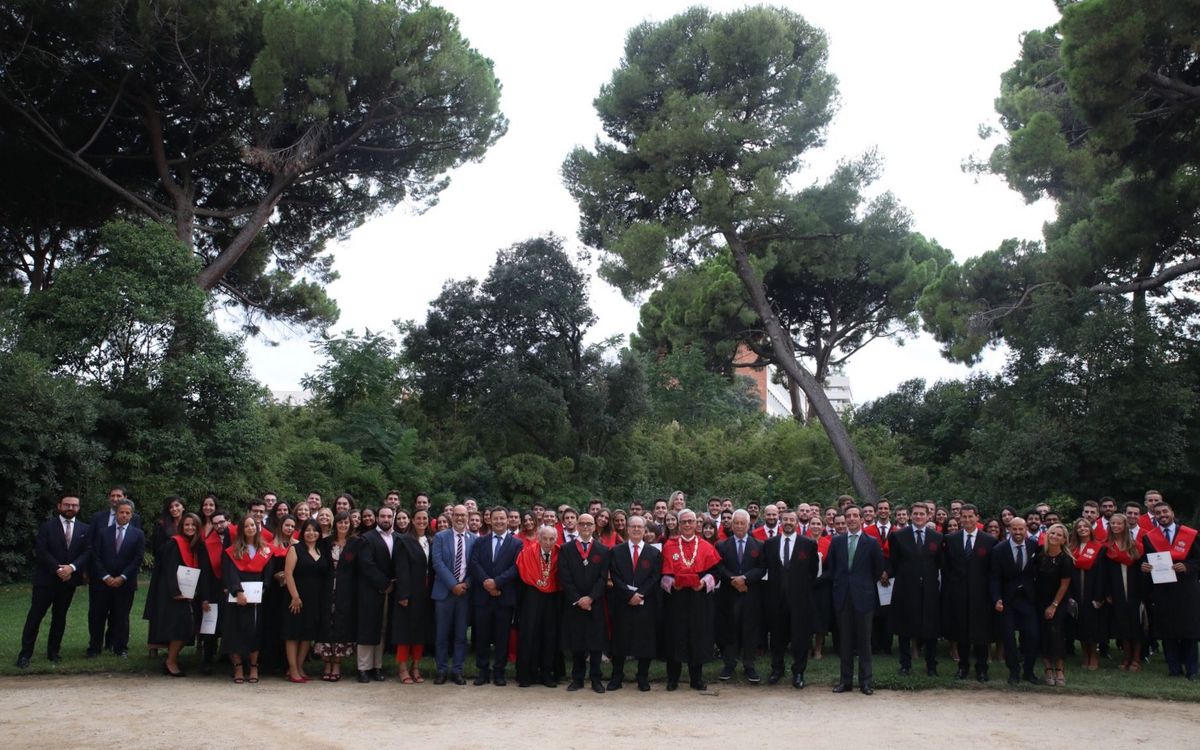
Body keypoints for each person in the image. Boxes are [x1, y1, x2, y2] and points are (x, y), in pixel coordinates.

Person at [17, 495, 91, 668]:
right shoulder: (47, 527)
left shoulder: (85, 529)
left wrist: (71, 568)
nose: (70, 508)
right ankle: (25, 654)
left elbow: (88, 552)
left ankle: (53, 652)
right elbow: (41, 551)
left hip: (68, 581)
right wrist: (58, 569)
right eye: (67, 505)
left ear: (79, 508)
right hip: (46, 580)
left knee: (60, 617)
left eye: (74, 505)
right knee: (35, 617)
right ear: (59, 506)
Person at [660, 509, 721, 691]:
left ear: (696, 524)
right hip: (676, 600)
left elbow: (715, 572)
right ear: (679, 525)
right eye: (684, 522)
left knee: (697, 636)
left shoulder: (706, 546)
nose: (687, 525)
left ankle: (696, 679)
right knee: (675, 636)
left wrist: (703, 583)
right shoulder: (669, 545)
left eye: (691, 521)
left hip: (698, 599)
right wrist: (672, 584)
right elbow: (662, 574)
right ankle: (673, 679)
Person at [827, 506, 885, 695]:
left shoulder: (872, 542)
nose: (851, 519)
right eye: (848, 516)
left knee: (864, 642)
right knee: (845, 641)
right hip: (842, 597)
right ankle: (845, 681)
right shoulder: (837, 541)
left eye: (855, 516)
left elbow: (878, 569)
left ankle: (865, 682)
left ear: (861, 519)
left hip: (864, 597)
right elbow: (832, 567)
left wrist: (863, 585)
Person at [1139, 500, 1199, 679]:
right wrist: (1145, 566)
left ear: (1172, 512)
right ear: (1155, 516)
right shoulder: (1149, 537)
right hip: (1163, 590)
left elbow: (1198, 560)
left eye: (1165, 511)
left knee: (1189, 630)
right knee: (1168, 630)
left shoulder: (1190, 534)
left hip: (1186, 589)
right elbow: (1147, 559)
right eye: (1158, 513)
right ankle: (1174, 669)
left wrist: (1187, 567)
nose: (1162, 515)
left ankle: (1192, 670)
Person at [763, 509, 820, 688]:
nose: (788, 522)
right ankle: (777, 669)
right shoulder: (770, 544)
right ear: (781, 521)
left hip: (800, 601)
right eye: (785, 519)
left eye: (791, 520)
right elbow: (766, 568)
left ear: (797, 523)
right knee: (777, 637)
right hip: (776, 599)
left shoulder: (808, 544)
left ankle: (799, 672)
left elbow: (812, 572)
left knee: (800, 638)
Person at [941, 503, 997, 681]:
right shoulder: (951, 539)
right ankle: (963, 667)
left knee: (981, 634)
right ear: (960, 518)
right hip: (958, 594)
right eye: (963, 516)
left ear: (977, 517)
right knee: (961, 633)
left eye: (970, 516)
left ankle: (982, 669)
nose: (967, 519)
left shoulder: (989, 541)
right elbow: (947, 568)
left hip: (981, 596)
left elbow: (992, 571)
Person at [468, 506, 521, 686]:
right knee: (482, 636)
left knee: (502, 637)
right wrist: (487, 583)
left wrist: (496, 583)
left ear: (508, 520)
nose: (499, 521)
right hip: (483, 596)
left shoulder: (516, 544)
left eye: (502, 518)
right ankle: (482, 671)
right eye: (495, 518)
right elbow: (474, 563)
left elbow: (516, 568)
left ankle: (499, 672)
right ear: (490, 520)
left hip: (504, 597)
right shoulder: (480, 541)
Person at [888, 502, 942, 676]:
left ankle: (931, 665)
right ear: (911, 515)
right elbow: (894, 562)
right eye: (916, 513)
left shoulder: (937, 537)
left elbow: (938, 563)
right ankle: (905, 664)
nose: (919, 516)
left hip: (929, 589)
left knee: (931, 628)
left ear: (928, 516)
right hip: (905, 587)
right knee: (904, 627)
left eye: (922, 514)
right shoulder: (898, 536)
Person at [558, 512, 610, 693]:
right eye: (582, 523)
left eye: (589, 523)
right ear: (577, 526)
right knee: (577, 642)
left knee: (596, 643)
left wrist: (591, 598)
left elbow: (603, 578)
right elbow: (565, 577)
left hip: (595, 603)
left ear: (594, 526)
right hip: (575, 604)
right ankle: (577, 678)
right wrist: (578, 599)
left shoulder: (603, 550)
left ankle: (596, 679)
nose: (586, 526)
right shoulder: (566, 549)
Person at [156, 512, 213, 677]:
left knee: (188, 630)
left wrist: (205, 597)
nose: (190, 528)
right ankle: (171, 662)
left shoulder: (199, 546)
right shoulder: (174, 544)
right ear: (182, 527)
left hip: (193, 594)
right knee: (180, 629)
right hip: (177, 596)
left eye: (193, 525)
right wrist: (176, 592)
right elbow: (169, 570)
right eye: (187, 525)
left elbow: (205, 573)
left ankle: (171, 659)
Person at [87, 498, 145, 658]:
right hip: (102, 583)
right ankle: (94, 648)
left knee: (121, 617)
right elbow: (95, 556)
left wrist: (123, 577)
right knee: (97, 616)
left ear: (131, 515)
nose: (124, 515)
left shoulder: (138, 534)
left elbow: (138, 558)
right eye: (121, 512)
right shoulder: (103, 532)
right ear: (116, 513)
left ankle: (121, 648)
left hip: (125, 584)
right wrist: (105, 576)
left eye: (127, 513)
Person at [608, 514, 661, 691]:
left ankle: (642, 677)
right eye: (633, 526)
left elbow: (654, 577)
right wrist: (628, 595)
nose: (636, 529)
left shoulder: (654, 552)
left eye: (640, 527)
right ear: (627, 529)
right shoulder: (617, 551)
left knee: (645, 641)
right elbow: (615, 575)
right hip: (622, 602)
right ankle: (617, 676)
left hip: (645, 603)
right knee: (620, 640)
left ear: (645, 530)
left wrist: (640, 594)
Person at [222, 516, 275, 683]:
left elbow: (268, 573)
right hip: (237, 596)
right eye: (246, 526)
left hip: (257, 598)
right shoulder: (233, 550)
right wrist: (238, 592)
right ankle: (238, 667)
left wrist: (262, 591)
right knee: (235, 630)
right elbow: (230, 573)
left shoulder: (265, 550)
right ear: (241, 530)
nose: (250, 528)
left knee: (255, 631)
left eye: (253, 525)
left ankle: (253, 666)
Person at [715, 509, 765, 683]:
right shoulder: (722, 545)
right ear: (731, 524)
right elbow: (719, 567)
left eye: (742, 523)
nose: (739, 526)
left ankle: (749, 665)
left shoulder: (759, 545)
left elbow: (761, 568)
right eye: (736, 523)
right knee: (730, 628)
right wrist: (734, 580)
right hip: (729, 595)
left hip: (751, 595)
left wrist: (745, 579)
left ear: (748, 524)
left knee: (750, 629)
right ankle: (729, 664)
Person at [991, 517, 1041, 686]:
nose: (1018, 532)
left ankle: (1029, 671)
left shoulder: (1035, 546)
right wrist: (997, 598)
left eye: (1021, 529)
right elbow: (994, 577)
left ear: (1026, 529)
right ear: (1009, 530)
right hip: (1007, 600)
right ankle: (1013, 671)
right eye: (1014, 529)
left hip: (1028, 599)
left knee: (1032, 635)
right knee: (1008, 638)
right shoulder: (999, 549)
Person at [282, 518, 330, 683]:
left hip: (315, 599)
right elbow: (288, 574)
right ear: (303, 532)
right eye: (308, 530)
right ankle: (292, 669)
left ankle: (299, 666)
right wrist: (295, 596)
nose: (311, 533)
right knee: (293, 633)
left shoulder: (321, 550)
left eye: (315, 530)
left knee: (307, 634)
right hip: (296, 598)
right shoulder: (295, 549)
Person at [515, 525, 563, 687]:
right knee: (530, 634)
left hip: (553, 599)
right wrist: (537, 581)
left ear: (556, 539)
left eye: (551, 539)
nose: (548, 542)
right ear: (539, 538)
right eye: (544, 538)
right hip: (532, 597)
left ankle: (547, 674)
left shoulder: (560, 553)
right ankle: (526, 674)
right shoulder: (527, 552)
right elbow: (523, 571)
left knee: (550, 635)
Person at [431, 504, 474, 684]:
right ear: (452, 517)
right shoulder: (441, 537)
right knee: (441, 635)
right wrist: (453, 585)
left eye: (463, 515)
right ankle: (441, 670)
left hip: (464, 594)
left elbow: (476, 565)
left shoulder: (474, 539)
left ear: (467, 517)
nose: (459, 518)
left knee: (460, 635)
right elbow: (437, 563)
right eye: (456, 515)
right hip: (444, 593)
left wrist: (466, 584)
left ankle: (457, 670)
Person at [356, 506, 399, 683]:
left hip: (390, 592)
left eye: (389, 516)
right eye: (383, 516)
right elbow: (366, 565)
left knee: (382, 628)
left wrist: (392, 584)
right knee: (367, 628)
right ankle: (363, 668)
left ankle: (377, 667)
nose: (386, 519)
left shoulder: (398, 538)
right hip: (370, 590)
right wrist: (385, 584)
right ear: (377, 518)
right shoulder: (367, 538)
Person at [393, 508, 434, 683]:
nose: (422, 521)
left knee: (420, 631)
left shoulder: (431, 540)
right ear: (412, 520)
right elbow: (401, 569)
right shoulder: (404, 540)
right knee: (405, 632)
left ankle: (416, 667)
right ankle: (403, 668)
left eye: (425, 518)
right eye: (418, 518)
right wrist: (403, 594)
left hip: (426, 592)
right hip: (409, 592)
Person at [315, 511, 356, 681]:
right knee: (326, 623)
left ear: (350, 524)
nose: (343, 525)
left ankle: (337, 663)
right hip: (326, 589)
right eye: (340, 522)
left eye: (346, 522)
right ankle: (326, 663)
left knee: (341, 624)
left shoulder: (356, 543)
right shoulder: (325, 542)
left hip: (346, 590)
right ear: (335, 524)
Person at [1101, 513, 1144, 671]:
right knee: (1122, 624)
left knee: (1136, 624)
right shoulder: (1106, 547)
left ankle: (1136, 658)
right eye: (1112, 523)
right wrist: (1107, 592)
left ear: (1125, 525)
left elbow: (1142, 570)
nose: (1115, 526)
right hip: (1116, 589)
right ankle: (1126, 657)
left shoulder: (1136, 546)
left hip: (1135, 590)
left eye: (1119, 523)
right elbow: (1103, 572)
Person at [143, 495, 184, 657]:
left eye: (177, 506)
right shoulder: (161, 525)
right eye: (171, 507)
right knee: (159, 608)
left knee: (177, 610)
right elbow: (157, 549)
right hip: (164, 571)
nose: (174, 509)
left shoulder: (188, 523)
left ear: (183, 507)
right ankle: (154, 645)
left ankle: (174, 645)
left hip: (183, 571)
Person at [1036, 523, 1073, 686]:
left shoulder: (1065, 559)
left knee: (1056, 634)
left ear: (1064, 539)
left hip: (1058, 601)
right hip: (1039, 600)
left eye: (1059, 535)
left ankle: (1059, 669)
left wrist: (1054, 605)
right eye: (1052, 533)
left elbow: (1064, 585)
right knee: (1043, 634)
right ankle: (1047, 669)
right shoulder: (1039, 554)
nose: (1054, 536)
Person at [1068, 518, 1106, 671]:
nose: (1082, 529)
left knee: (1092, 625)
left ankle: (1094, 655)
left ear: (1090, 529)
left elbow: (1102, 574)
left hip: (1092, 591)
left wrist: (1099, 596)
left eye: (1085, 526)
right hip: (1076, 590)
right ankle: (1085, 654)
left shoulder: (1099, 548)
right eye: (1079, 527)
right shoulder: (1071, 548)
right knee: (1080, 624)